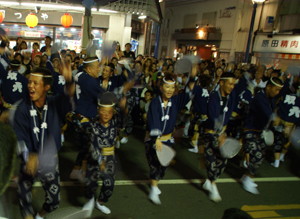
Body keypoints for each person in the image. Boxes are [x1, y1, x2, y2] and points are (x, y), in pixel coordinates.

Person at [13, 59, 74, 219]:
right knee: (25, 205)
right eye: (29, 82)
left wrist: (68, 79)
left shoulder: (55, 104)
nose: (30, 86)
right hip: (29, 162)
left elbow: (69, 95)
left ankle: (40, 216)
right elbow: (19, 138)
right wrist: (28, 156)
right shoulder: (22, 109)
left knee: (54, 201)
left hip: (49, 161)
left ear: (46, 87)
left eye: (35, 83)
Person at [145, 64, 197, 205]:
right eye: (167, 87)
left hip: (168, 140)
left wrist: (192, 76)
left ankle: (155, 183)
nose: (169, 90)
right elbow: (153, 119)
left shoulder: (175, 101)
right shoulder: (155, 103)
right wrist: (156, 139)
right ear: (161, 88)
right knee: (155, 165)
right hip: (154, 140)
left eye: (172, 87)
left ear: (175, 89)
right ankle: (154, 189)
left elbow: (188, 91)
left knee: (164, 167)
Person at [202, 72, 250, 202]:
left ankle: (209, 181)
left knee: (223, 161)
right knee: (211, 160)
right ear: (222, 83)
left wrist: (246, 74)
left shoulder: (231, 95)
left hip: (222, 133)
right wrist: (219, 133)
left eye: (233, 84)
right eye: (230, 84)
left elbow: (241, 87)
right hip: (211, 133)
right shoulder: (214, 97)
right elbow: (213, 116)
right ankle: (213, 186)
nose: (232, 86)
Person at [240, 77, 291, 194]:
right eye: (276, 90)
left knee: (261, 154)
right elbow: (270, 115)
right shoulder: (260, 98)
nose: (277, 93)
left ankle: (246, 177)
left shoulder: (270, 98)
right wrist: (282, 123)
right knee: (257, 155)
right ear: (268, 87)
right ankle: (247, 179)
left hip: (259, 131)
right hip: (250, 130)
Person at [82, 92, 127, 216]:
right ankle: (90, 200)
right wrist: (100, 160)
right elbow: (94, 144)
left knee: (109, 184)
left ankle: (100, 202)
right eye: (103, 111)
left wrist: (123, 108)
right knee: (90, 182)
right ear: (98, 111)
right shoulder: (94, 125)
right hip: (95, 156)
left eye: (109, 112)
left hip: (110, 156)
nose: (106, 115)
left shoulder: (115, 121)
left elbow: (123, 120)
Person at [69, 56, 106, 182]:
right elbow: (104, 96)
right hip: (84, 118)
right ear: (89, 69)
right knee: (94, 145)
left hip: (78, 116)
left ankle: (76, 170)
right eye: (97, 67)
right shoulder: (90, 81)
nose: (100, 69)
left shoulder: (79, 75)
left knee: (85, 147)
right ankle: (90, 173)